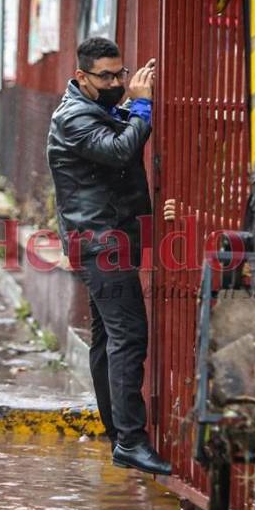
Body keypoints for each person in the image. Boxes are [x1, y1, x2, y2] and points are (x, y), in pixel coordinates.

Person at [46, 36, 171, 476]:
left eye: (121, 73)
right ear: (82, 76)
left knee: (108, 339)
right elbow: (120, 149)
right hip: (100, 245)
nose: (117, 81)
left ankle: (119, 435)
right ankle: (131, 441)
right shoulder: (74, 118)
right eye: (107, 76)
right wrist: (141, 105)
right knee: (129, 337)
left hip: (106, 239)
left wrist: (131, 99)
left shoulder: (92, 106)